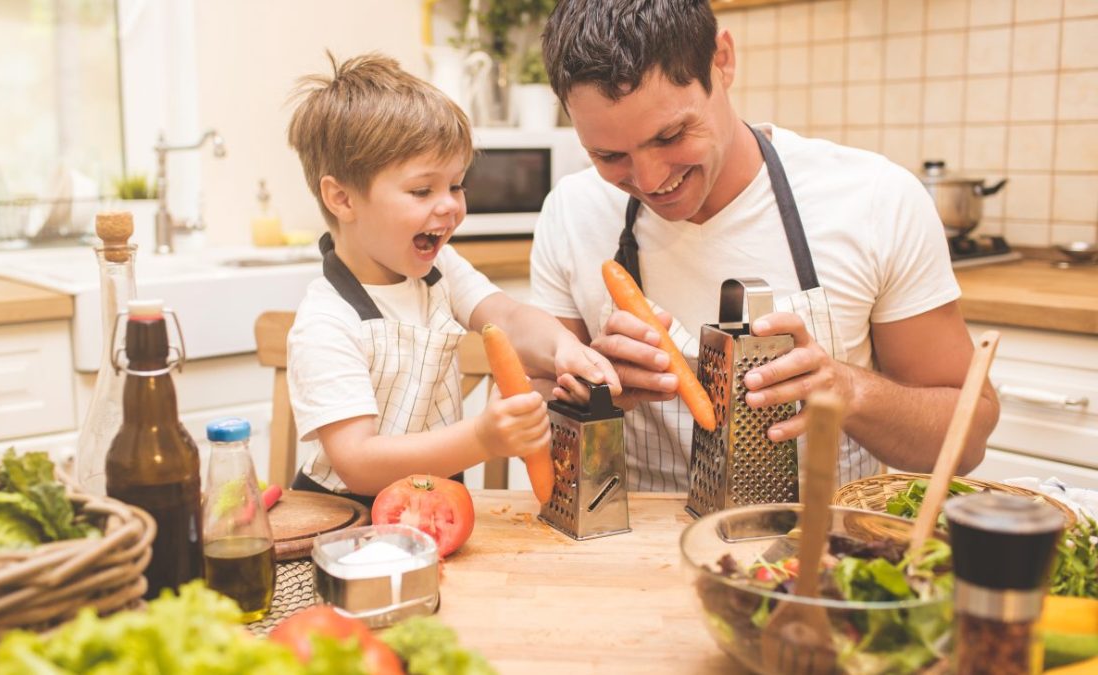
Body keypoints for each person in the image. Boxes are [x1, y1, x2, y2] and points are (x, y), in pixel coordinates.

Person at [533, 0, 999, 491]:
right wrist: (591, 399)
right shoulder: (572, 211)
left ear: (723, 60)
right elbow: (531, 421)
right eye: (609, 155)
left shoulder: (876, 199)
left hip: (820, 544)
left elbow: (966, 442)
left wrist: (850, 390)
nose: (649, 180)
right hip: (634, 548)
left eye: (671, 136)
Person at [284, 53, 617, 503]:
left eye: (456, 185)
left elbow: (507, 317)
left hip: (432, 505)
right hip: (345, 520)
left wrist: (563, 347)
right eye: (422, 190)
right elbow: (358, 463)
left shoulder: (440, 270)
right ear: (342, 198)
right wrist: (481, 439)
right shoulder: (326, 322)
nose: (450, 206)